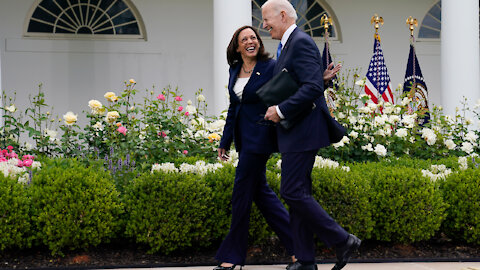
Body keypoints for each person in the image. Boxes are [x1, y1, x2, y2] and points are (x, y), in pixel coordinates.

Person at [261, 1, 361, 270]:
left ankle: (342, 240)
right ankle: (305, 261)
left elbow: (311, 87)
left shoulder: (300, 42)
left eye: (266, 19)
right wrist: (320, 79)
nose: (263, 25)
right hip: (296, 131)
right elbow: (306, 81)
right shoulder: (289, 44)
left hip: (303, 131)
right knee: (298, 193)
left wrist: (280, 110)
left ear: (283, 15)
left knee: (291, 191)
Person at [213, 25, 295, 270]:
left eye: (253, 37)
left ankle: (233, 256)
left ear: (258, 42)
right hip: (243, 139)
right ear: (237, 47)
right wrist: (224, 142)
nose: (250, 41)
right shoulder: (234, 70)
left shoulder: (270, 68)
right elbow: (233, 108)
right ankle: (299, 249)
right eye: (244, 39)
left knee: (241, 195)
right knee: (262, 195)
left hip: (261, 138)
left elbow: (290, 91)